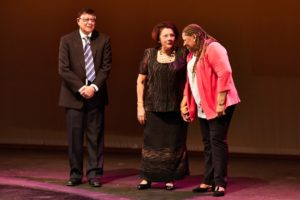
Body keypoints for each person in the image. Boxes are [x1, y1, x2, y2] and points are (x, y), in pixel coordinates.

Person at [180, 24, 240, 197]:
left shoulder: (213, 48)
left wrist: (220, 102)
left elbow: (225, 72)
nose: (184, 43)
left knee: (216, 141)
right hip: (203, 104)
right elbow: (189, 79)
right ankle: (208, 180)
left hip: (218, 103)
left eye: (186, 40)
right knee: (207, 143)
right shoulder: (193, 53)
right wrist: (185, 100)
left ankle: (220, 183)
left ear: (195, 37)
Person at [58, 8, 112, 187]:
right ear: (78, 21)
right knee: (74, 138)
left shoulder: (103, 39)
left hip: (95, 96)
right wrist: (81, 88)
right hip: (73, 97)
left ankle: (94, 175)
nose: (90, 22)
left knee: (95, 137)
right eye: (86, 19)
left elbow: (106, 67)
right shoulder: (67, 40)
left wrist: (93, 87)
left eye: (93, 20)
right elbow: (63, 69)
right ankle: (75, 174)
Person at [136, 22, 189, 191]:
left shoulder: (182, 53)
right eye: (165, 35)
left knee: (172, 145)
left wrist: (186, 101)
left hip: (175, 108)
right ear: (158, 38)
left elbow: (189, 80)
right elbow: (140, 81)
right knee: (151, 144)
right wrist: (140, 106)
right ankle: (147, 178)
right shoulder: (149, 54)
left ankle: (170, 178)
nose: (169, 38)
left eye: (172, 35)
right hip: (153, 107)